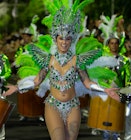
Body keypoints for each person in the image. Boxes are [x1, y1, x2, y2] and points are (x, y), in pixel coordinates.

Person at [3, 3, 120, 140]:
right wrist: (17, 87)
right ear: (55, 39)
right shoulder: (48, 60)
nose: (64, 42)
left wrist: (105, 90)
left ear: (72, 40)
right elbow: (36, 81)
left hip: (73, 106)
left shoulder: (78, 61)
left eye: (68, 38)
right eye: (61, 38)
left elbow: (88, 83)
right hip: (53, 105)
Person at [0, 52, 11, 140]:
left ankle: (1, 136)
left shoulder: (3, 58)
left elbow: (8, 72)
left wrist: (2, 78)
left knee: (1, 112)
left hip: (1, 88)